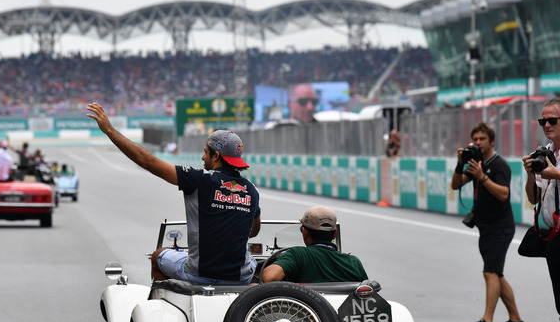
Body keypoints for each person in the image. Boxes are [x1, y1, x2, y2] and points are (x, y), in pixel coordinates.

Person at [86, 102, 261, 285]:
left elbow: (147, 161)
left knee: (158, 256)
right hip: (240, 278)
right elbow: (253, 231)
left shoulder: (200, 179)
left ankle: (163, 306)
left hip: (199, 273)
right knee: (255, 261)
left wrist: (110, 131)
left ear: (216, 156)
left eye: (205, 152)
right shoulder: (252, 189)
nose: (203, 157)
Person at [451, 122, 524, 322]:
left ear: (491, 141)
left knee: (490, 272)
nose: (478, 143)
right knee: (497, 275)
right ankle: (516, 320)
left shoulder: (498, 164)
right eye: (475, 140)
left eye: (482, 139)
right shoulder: (477, 163)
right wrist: (460, 165)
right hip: (486, 226)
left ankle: (487, 321)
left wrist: (482, 177)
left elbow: (503, 194)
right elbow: (456, 185)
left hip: (500, 226)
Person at [523, 97, 560, 322]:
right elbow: (533, 198)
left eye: (553, 121)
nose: (546, 125)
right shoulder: (544, 154)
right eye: (542, 121)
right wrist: (530, 174)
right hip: (553, 237)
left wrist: (554, 173)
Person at [261, 206, 367, 283]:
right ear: (335, 234)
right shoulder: (353, 262)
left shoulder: (297, 255)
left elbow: (268, 277)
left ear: (305, 232)